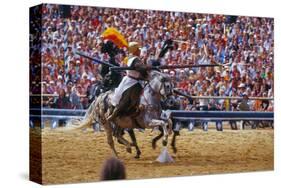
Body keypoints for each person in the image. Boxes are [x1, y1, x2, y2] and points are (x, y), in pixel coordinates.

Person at [107, 42, 149, 121]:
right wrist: (146, 66)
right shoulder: (135, 59)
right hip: (132, 81)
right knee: (125, 99)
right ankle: (115, 113)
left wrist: (144, 62)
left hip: (133, 80)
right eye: (138, 50)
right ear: (135, 50)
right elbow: (141, 69)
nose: (140, 51)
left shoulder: (132, 58)